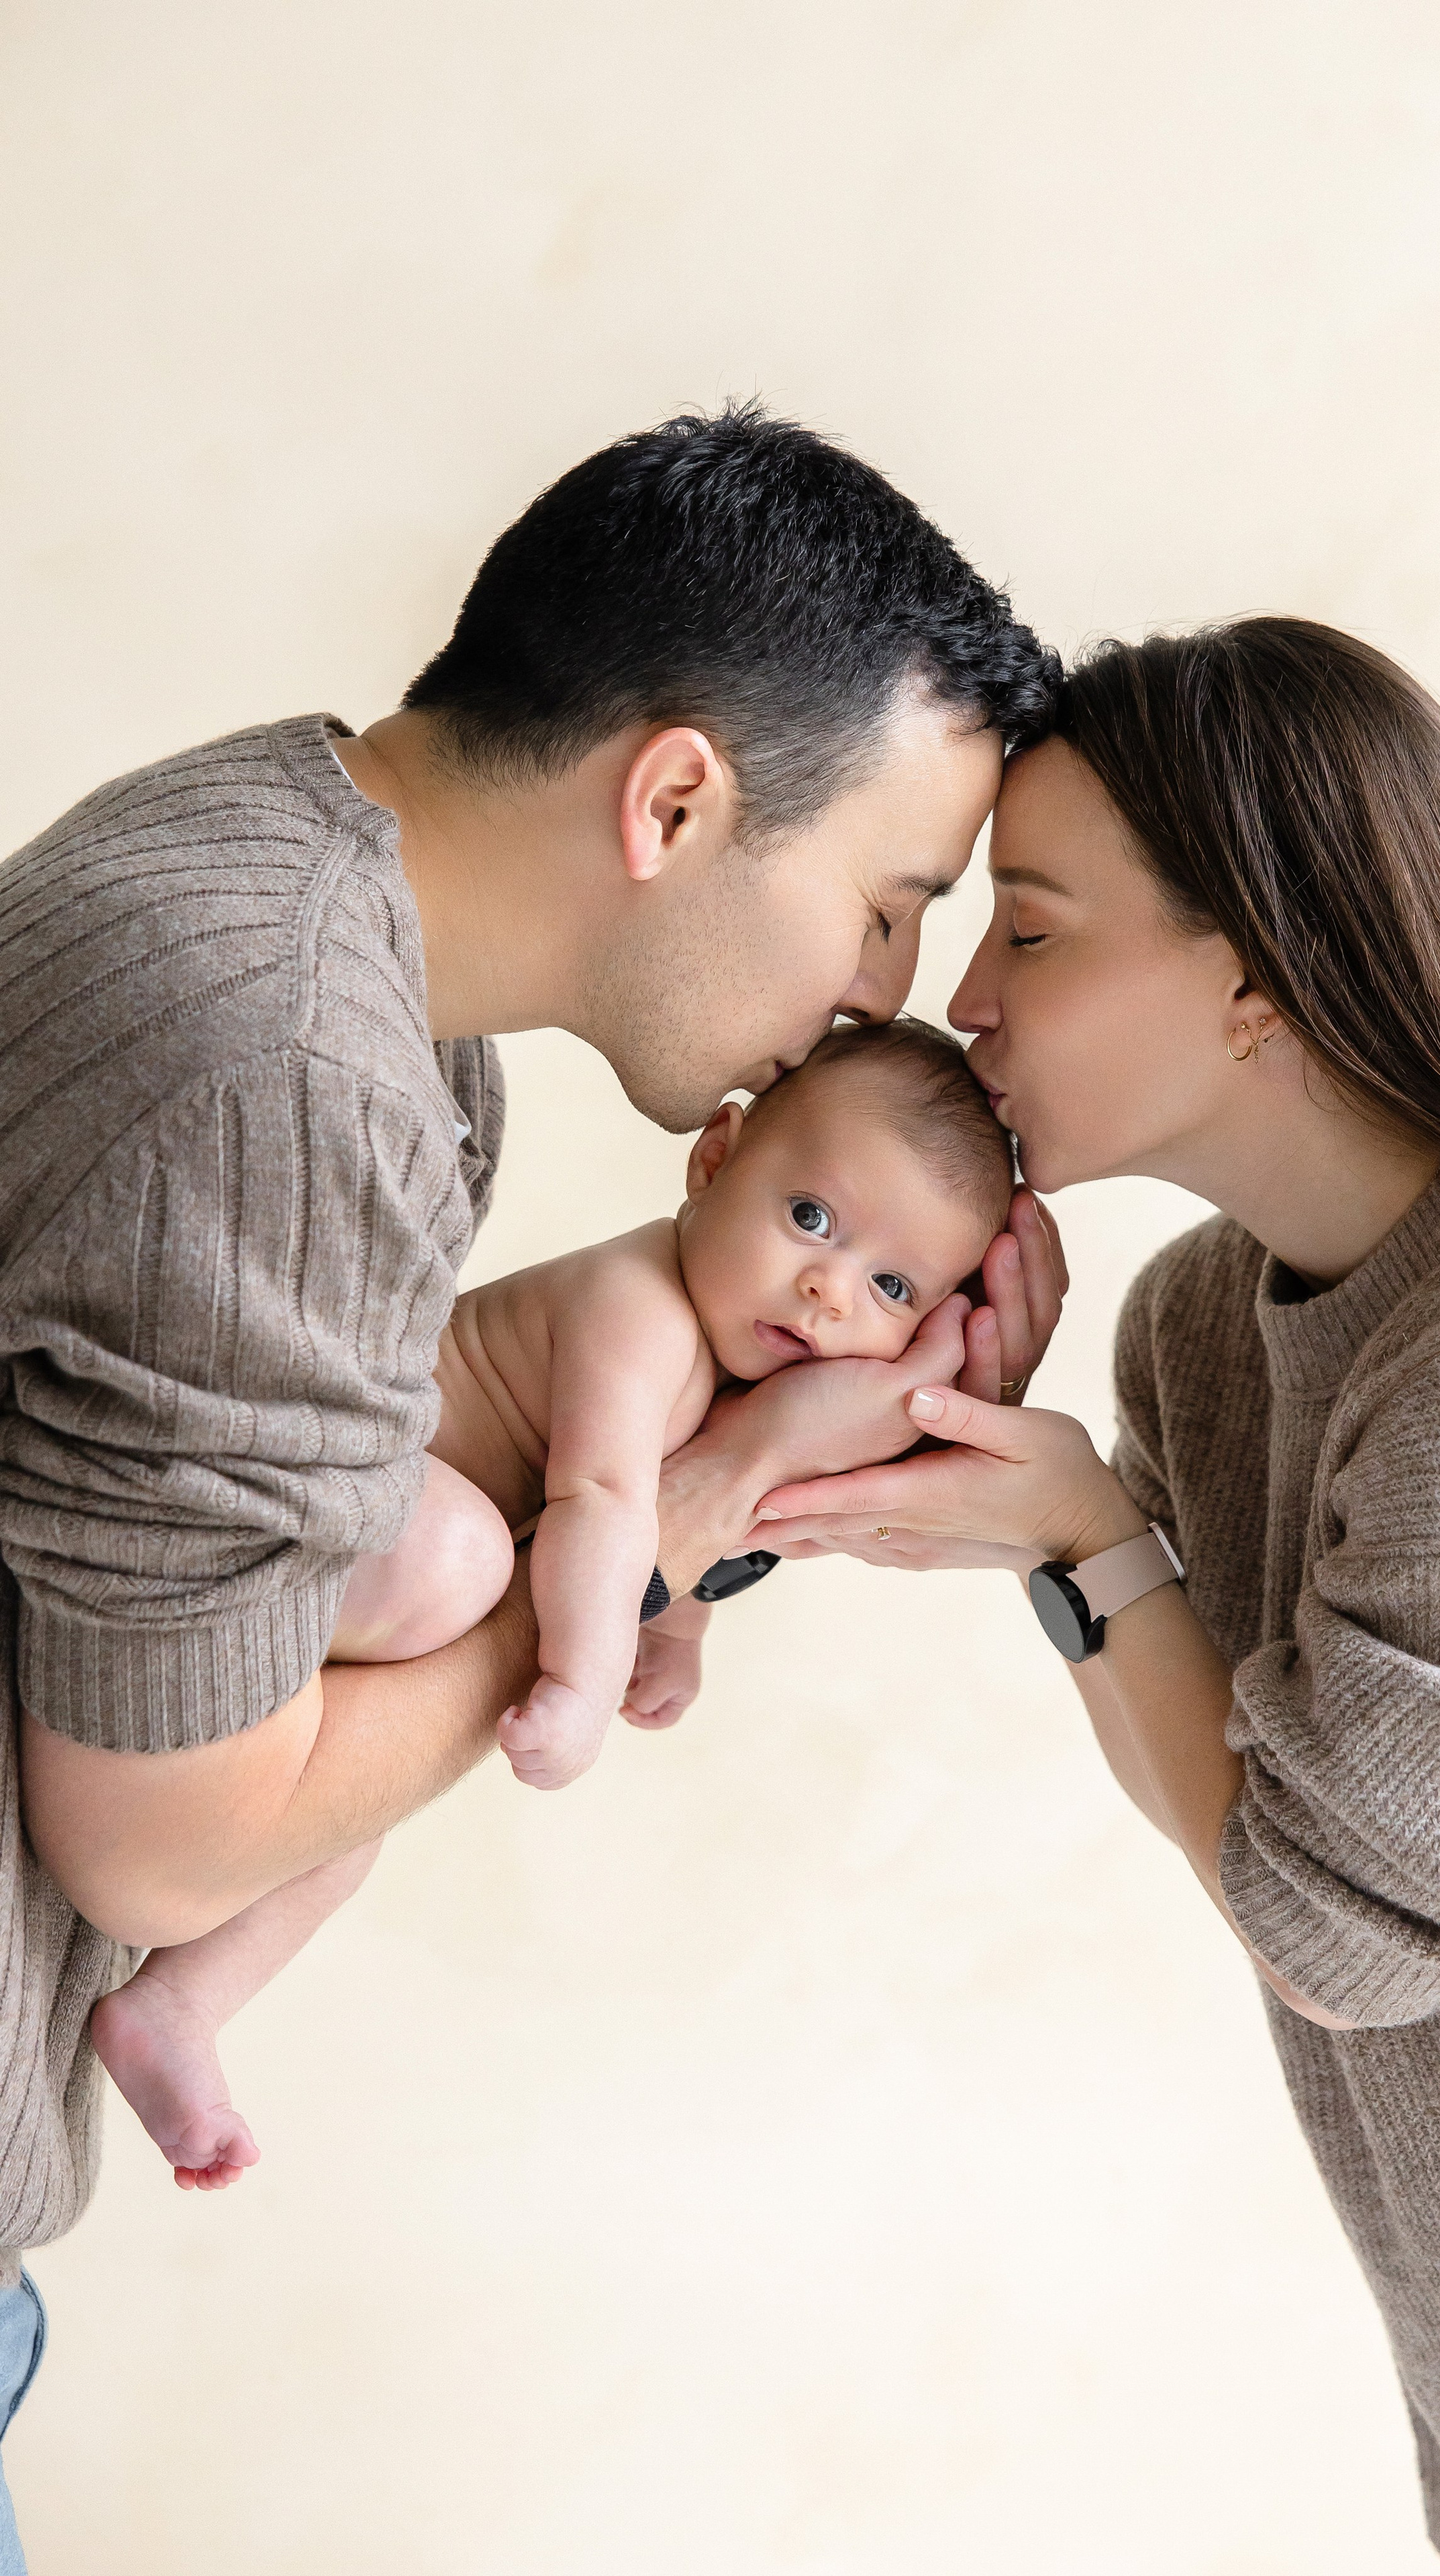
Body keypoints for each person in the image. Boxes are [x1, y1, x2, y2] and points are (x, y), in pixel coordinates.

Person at [0, 404, 1058, 2567]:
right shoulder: (290, 1059)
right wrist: (708, 1499)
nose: (879, 1002)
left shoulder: (301, 921)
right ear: (677, 796)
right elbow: (167, 1839)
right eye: (885, 908)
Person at [757, 616, 1440, 2576]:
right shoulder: (1204, 1329)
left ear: (1261, 977)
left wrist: (1081, 1547)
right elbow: (1282, 1839)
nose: (964, 1002)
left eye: (1030, 928)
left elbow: (1326, 1934)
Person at [89, 1019, 1013, 2188]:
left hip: (374, 1603)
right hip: (312, 1516)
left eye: (891, 1287)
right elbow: (604, 1502)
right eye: (812, 1219)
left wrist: (678, 1627)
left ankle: (172, 2008)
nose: (830, 1291)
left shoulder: (731, 1384)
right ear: (715, 1160)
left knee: (345, 1823)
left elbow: (672, 1518)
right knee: (465, 1556)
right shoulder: (640, 1305)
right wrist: (577, 1681)